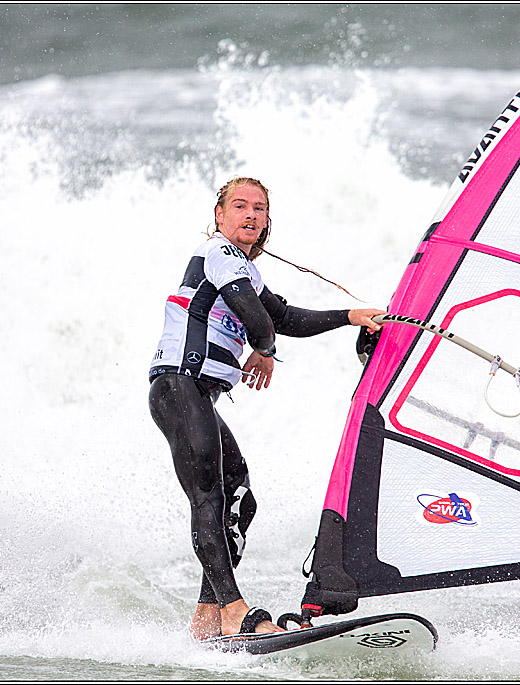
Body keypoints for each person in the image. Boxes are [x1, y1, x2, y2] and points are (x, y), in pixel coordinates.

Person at [148, 176, 384, 639]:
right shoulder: (219, 253)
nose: (251, 215)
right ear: (220, 215)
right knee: (209, 498)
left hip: (197, 392)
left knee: (238, 495)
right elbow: (258, 320)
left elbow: (284, 318)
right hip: (178, 385)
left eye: (260, 208)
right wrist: (265, 349)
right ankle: (233, 609)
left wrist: (350, 316)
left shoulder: (245, 270)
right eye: (240, 206)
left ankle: (207, 615)